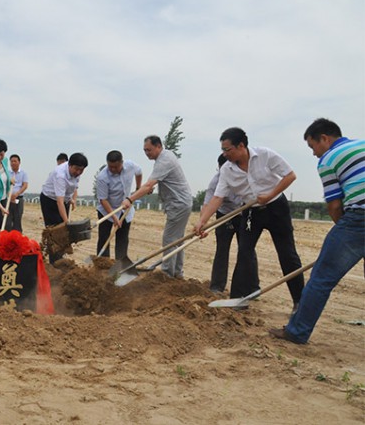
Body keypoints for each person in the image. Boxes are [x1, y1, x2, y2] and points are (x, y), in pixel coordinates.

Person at [269, 118, 364, 344]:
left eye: (313, 146)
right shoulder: (362, 145)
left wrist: (345, 233)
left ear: (325, 138)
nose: (314, 153)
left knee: (321, 278)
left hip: (359, 217)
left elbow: (333, 205)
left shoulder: (328, 159)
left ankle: (297, 331)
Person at [193, 127, 305, 314]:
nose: (224, 154)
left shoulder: (265, 155)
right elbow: (217, 197)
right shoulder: (227, 170)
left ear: (241, 146)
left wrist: (270, 195)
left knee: (287, 255)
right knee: (244, 252)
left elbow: (290, 176)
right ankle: (237, 300)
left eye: (227, 149)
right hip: (251, 212)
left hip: (277, 208)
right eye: (222, 150)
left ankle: (299, 302)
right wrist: (202, 221)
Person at [122, 135, 192, 278]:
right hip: (181, 203)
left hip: (178, 204)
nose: (147, 153)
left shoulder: (164, 160)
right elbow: (152, 183)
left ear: (159, 146)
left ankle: (167, 274)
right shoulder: (165, 157)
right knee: (178, 240)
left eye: (149, 150)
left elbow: (148, 184)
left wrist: (130, 199)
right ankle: (178, 273)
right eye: (145, 151)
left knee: (169, 240)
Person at [202, 154, 246, 293]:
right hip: (224, 215)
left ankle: (250, 287)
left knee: (246, 250)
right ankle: (217, 286)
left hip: (243, 213)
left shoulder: (243, 176)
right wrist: (202, 224)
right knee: (222, 249)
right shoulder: (215, 182)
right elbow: (207, 204)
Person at [40, 152, 88, 263]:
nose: (78, 172)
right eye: (76, 169)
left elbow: (73, 188)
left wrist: (72, 199)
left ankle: (60, 257)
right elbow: (59, 202)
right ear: (69, 165)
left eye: (81, 170)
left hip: (64, 200)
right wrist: (67, 223)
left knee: (63, 230)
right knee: (55, 230)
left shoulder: (77, 173)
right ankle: (54, 262)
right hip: (50, 200)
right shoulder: (60, 174)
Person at [96, 150, 142, 260]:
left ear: (122, 162)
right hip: (107, 210)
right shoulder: (102, 177)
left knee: (122, 238)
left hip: (125, 209)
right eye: (110, 166)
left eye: (116, 167)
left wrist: (138, 188)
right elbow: (103, 200)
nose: (113, 169)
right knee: (104, 237)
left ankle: (120, 264)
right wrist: (114, 217)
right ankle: (103, 263)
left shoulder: (130, 165)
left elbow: (139, 172)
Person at [6, 154, 29, 233]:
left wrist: (16, 194)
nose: (13, 163)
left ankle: (17, 236)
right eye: (11, 161)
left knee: (17, 219)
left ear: (19, 162)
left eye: (15, 161)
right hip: (8, 199)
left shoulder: (23, 173)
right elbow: (5, 185)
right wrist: (9, 195)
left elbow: (25, 185)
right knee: (7, 220)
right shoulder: (7, 173)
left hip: (18, 199)